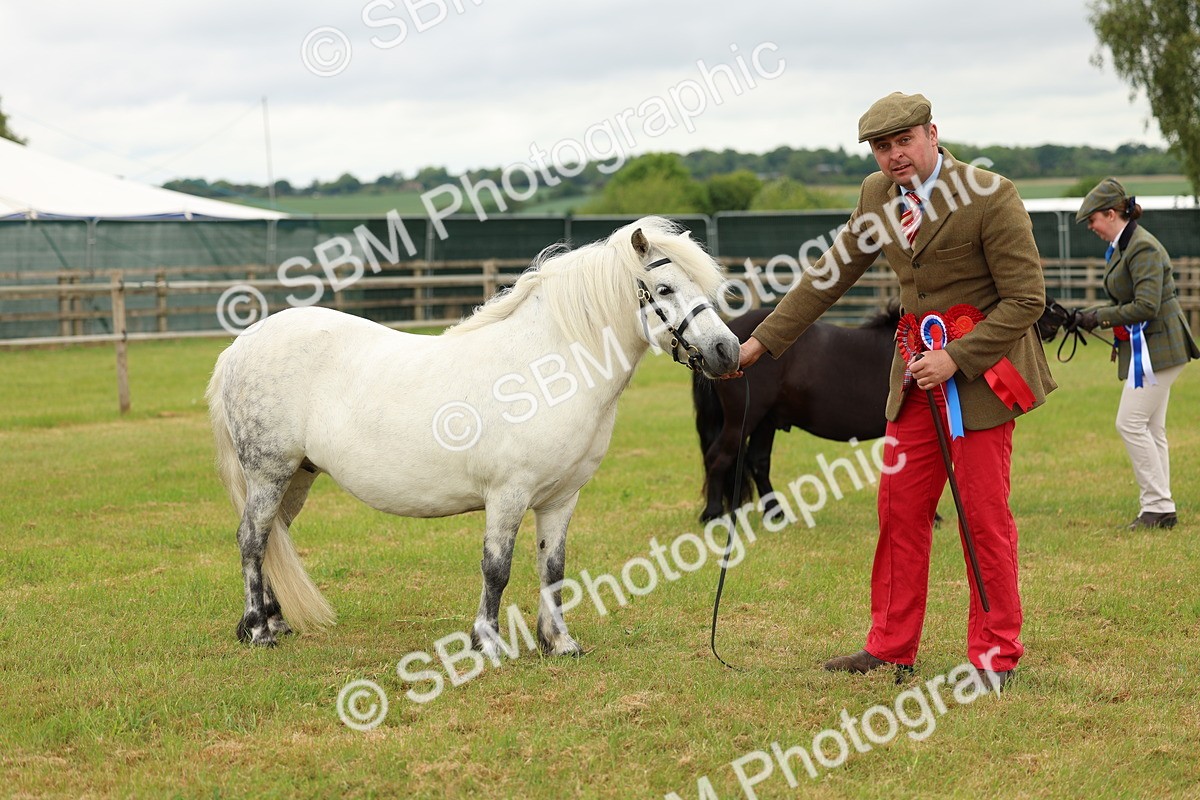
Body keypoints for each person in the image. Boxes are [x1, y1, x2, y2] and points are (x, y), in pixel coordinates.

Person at [730, 92, 1056, 689]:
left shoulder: (992, 193)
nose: (893, 156)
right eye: (882, 147)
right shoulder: (876, 196)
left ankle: (995, 654)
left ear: (933, 134)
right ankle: (889, 646)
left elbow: (1026, 299)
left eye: (903, 141)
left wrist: (956, 357)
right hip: (911, 386)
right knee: (898, 512)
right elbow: (826, 277)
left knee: (983, 519)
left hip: (981, 386)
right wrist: (759, 345)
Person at [1072, 178, 1199, 530]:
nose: (1092, 228)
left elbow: (1145, 305)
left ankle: (1157, 506)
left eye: (1094, 220)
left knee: (1129, 423)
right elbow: (1126, 301)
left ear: (1111, 214)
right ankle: (1161, 507)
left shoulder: (1141, 248)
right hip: (1154, 347)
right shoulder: (1125, 245)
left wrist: (1097, 317)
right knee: (1152, 428)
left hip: (1162, 346)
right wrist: (1088, 314)